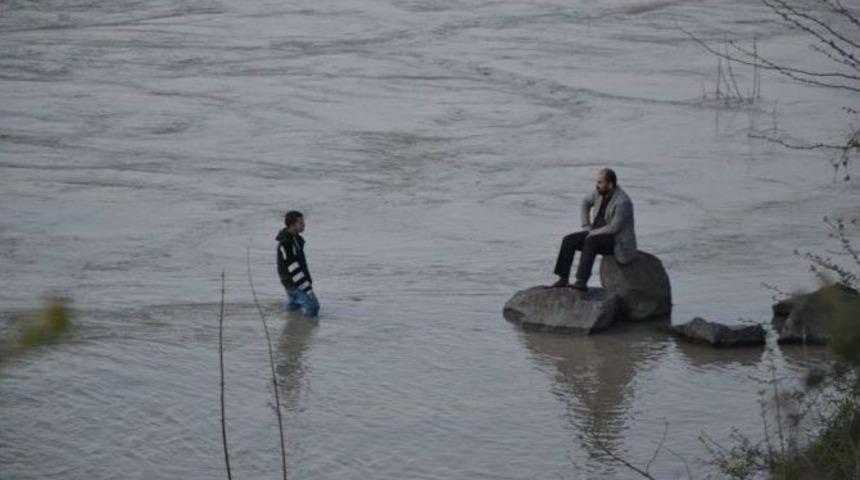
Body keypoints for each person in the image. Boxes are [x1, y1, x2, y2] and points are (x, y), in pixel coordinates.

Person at [551, 168, 637, 292]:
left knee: (591, 241)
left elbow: (615, 228)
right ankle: (563, 278)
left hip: (616, 241)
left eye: (600, 182)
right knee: (568, 240)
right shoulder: (598, 193)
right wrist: (586, 225)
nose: (597, 185)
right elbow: (585, 202)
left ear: (610, 184)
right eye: (597, 182)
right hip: (596, 233)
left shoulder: (623, 202)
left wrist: (592, 233)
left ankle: (581, 281)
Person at [276, 210, 320, 317]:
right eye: (301, 222)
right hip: (293, 283)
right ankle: (306, 327)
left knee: (294, 307)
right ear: (292, 225)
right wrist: (309, 290)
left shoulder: (296, 239)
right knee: (313, 307)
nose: (304, 225)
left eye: (303, 222)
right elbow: (294, 269)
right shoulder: (286, 243)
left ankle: (291, 324)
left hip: (294, 282)